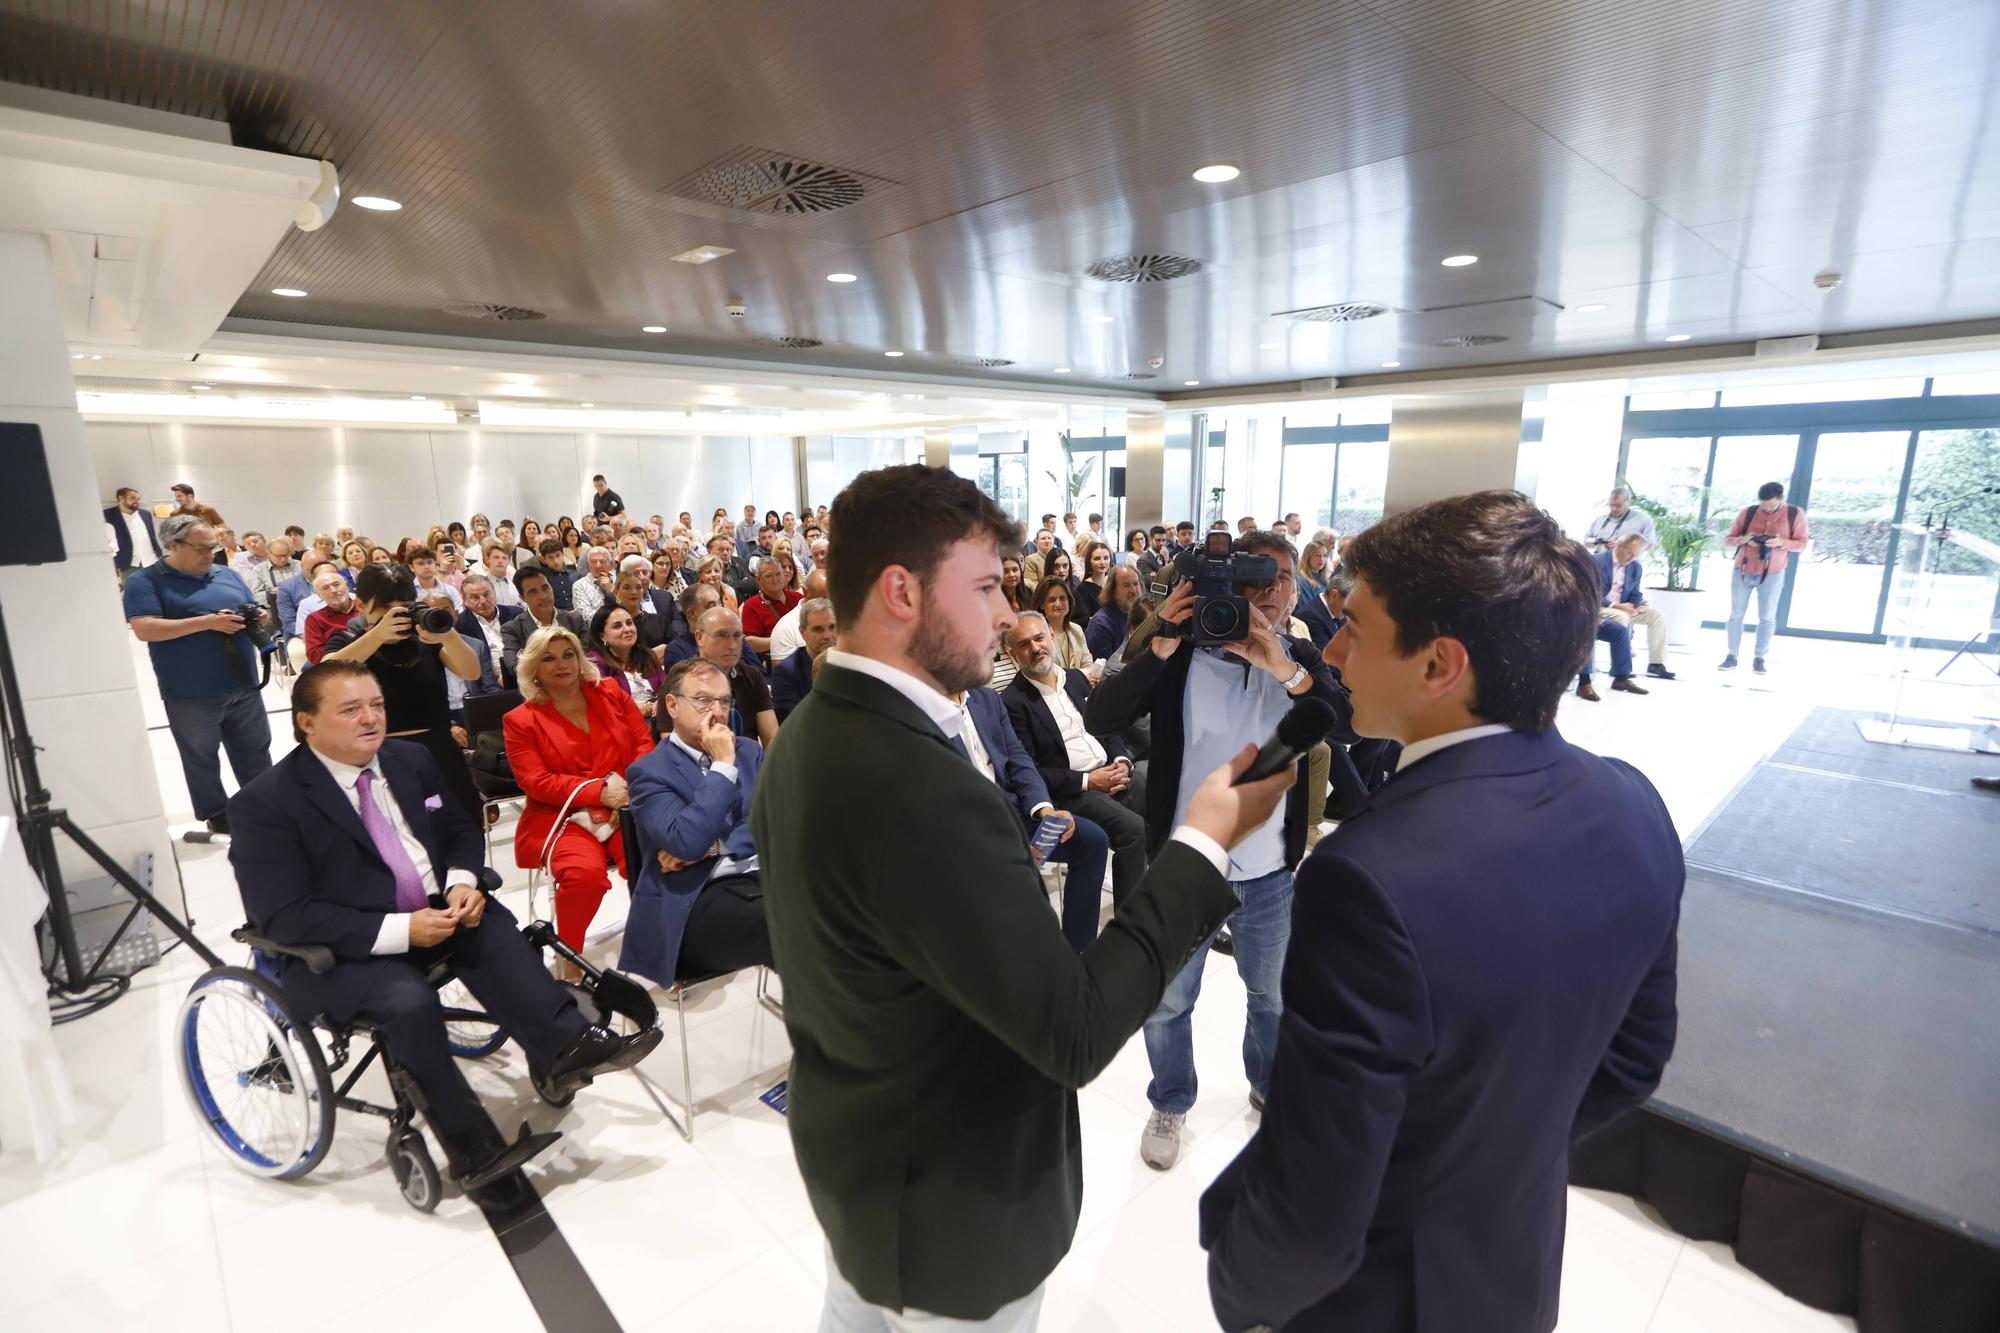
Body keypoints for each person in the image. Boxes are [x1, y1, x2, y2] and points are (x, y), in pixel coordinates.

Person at [749, 462, 1293, 1329]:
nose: (1008, 616)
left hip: (865, 1164)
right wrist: (1202, 839)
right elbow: (1072, 1027)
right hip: (948, 1211)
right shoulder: (912, 783)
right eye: (986, 587)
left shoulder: (818, 728)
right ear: (901, 591)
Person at [1199, 490, 1684, 1333]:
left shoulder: (1365, 881)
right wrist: (1498, 1155)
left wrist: (1238, 1298)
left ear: (1439, 665)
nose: (1337, 648)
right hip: (1510, 1268)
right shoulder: (1634, 804)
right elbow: (1634, 1061)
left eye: (1355, 625)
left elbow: (1314, 1213)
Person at [227, 662, 660, 1199]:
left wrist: (461, 881)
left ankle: (566, 1047)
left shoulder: (409, 759)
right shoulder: (265, 804)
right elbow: (285, 917)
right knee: (408, 1004)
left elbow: (458, 827)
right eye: (351, 709)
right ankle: (471, 1146)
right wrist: (402, 930)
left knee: (497, 928)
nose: (371, 718)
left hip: (436, 911)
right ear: (306, 723)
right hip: (347, 949)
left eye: (377, 705)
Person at [1084, 528, 1362, 1171]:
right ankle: (1171, 1098)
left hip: (1269, 872)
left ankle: (1268, 1087)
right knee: (1169, 1001)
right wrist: (1156, 645)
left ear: (1299, 590)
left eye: (1281, 582)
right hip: (1183, 866)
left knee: (1272, 996)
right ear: (1225, 588)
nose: (1267, 596)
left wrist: (1287, 667)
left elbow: (1348, 722)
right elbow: (1102, 715)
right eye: (1253, 583)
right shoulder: (1179, 654)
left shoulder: (1300, 657)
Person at [619, 658, 777, 986]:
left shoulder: (749, 751)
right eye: (704, 700)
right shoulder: (649, 771)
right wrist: (722, 765)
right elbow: (685, 842)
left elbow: (775, 826)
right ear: (673, 705)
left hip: (761, 879)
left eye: (724, 700)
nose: (717, 710)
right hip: (694, 902)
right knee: (797, 923)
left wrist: (715, 846)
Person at [503, 625, 655, 951]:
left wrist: (624, 795)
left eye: (568, 655)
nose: (562, 665)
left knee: (654, 859)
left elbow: (643, 744)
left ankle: (664, 945)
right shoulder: (520, 720)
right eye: (549, 658)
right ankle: (569, 957)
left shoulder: (611, 692)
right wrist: (599, 792)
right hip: (565, 817)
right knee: (583, 878)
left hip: (624, 808)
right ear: (534, 669)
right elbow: (535, 781)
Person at [122, 514, 272, 834]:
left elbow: (253, 608)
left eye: (213, 547)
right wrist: (206, 622)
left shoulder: (227, 574)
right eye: (202, 548)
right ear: (173, 545)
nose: (210, 555)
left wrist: (259, 615)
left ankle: (263, 804)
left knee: (255, 749)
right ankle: (216, 812)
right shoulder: (145, 581)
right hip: (191, 690)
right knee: (201, 756)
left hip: (243, 682)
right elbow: (145, 628)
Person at [1004, 611, 1149, 911]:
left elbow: (1105, 728)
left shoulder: (1076, 679)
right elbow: (1030, 770)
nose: (1035, 648)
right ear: (1012, 652)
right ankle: (1131, 926)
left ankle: (1158, 900)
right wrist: (1089, 781)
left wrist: (1121, 760)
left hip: (1110, 771)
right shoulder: (1013, 702)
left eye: (1040, 638)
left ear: (1052, 638)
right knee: (1133, 830)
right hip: (1074, 790)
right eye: (1024, 644)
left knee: (1166, 798)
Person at [321, 563, 484, 817]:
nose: (395, 616)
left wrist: (447, 634)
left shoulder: (425, 639)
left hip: (437, 750)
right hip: (377, 753)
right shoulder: (348, 640)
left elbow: (472, 671)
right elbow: (326, 675)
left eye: (404, 606)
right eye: (385, 608)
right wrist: (377, 636)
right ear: (362, 607)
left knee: (459, 831)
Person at [1722, 481, 1810, 673]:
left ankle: (1759, 658)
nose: (1766, 508)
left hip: (1773, 572)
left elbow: (1802, 544)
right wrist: (1744, 540)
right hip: (1743, 569)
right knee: (1736, 614)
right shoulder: (1749, 512)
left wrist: (1781, 543)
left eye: (1770, 505)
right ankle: (1731, 655)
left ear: (1780, 499)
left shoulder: (1795, 514)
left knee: (1767, 617)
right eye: (1763, 505)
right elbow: (1728, 539)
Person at [693, 606, 778, 747]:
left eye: (737, 636)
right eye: (721, 635)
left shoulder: (753, 677)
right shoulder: (681, 680)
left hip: (749, 763)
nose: (732, 645)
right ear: (699, 638)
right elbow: (672, 745)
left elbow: (772, 739)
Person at [1599, 533, 1675, 679]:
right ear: (1619, 547)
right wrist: (1616, 606)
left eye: (1636, 555)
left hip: (1625, 608)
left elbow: (1634, 593)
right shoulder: (1598, 562)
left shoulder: (1635, 566)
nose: (1631, 558)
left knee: (1656, 616)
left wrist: (1640, 603)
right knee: (1621, 616)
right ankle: (1619, 668)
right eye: (1630, 553)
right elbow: (1591, 594)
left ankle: (1656, 664)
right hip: (1601, 607)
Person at [500, 564, 587, 685]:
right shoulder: (512, 629)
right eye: (533, 592)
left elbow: (588, 656)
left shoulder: (574, 620)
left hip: (577, 683)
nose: (543, 596)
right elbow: (516, 668)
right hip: (539, 690)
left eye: (545, 588)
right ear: (522, 597)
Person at [586, 603, 664, 720]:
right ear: (602, 636)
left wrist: (662, 702)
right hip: (624, 725)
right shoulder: (595, 663)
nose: (627, 629)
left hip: (658, 719)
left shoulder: (646, 655)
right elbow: (608, 706)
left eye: (629, 623)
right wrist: (649, 707)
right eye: (617, 626)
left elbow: (667, 685)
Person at [769, 597, 835, 722]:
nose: (827, 636)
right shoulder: (786, 672)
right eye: (818, 629)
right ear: (803, 632)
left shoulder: (851, 662)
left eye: (832, 627)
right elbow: (793, 723)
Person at [454, 573, 524, 687]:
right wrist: (496, 680)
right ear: (465, 601)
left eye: (487, 594)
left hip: (523, 676)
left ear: (494, 593)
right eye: (475, 597)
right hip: (487, 684)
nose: (483, 601)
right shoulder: (460, 624)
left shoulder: (516, 614)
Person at [741, 556, 803, 661]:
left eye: (778, 574)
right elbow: (750, 642)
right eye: (769, 576)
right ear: (758, 579)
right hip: (777, 661)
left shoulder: (798, 598)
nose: (775, 580)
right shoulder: (751, 606)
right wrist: (783, 640)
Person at [1028, 575, 1092, 674]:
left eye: (1062, 598)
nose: (1058, 604)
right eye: (1052, 600)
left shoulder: (1076, 629)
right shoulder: (1037, 637)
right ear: (1041, 604)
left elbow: (1088, 665)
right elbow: (1046, 674)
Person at [766, 568, 828, 666]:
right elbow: (784, 675)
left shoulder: (844, 619)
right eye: (823, 598)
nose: (828, 604)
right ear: (805, 592)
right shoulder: (785, 628)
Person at [302, 562, 360, 665]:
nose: (333, 590)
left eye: (336, 584)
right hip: (337, 667)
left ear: (346, 586)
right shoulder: (314, 619)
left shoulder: (365, 608)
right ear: (318, 595)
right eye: (325, 588)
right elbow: (314, 655)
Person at [105, 486, 163, 583]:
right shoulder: (109, 515)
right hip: (128, 564)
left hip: (151, 561)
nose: (136, 501)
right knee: (133, 593)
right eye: (132, 498)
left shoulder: (145, 514)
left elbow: (152, 536)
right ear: (121, 499)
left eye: (138, 499)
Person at [1086, 565, 1143, 662]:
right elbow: (1106, 670)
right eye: (1126, 585)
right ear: (1112, 590)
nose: (1133, 590)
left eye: (1136, 584)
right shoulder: (1100, 624)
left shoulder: (1145, 616)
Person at [1584, 484, 1660, 554]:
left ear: (1629, 502)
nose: (1614, 508)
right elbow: (1586, 541)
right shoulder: (1599, 520)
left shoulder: (1643, 520)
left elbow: (1650, 545)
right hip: (1598, 564)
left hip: (1627, 566)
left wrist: (1623, 545)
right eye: (1611, 505)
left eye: (1618, 505)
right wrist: (1595, 542)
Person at [662, 582, 722, 669]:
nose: (719, 609)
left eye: (719, 602)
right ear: (692, 613)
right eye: (711, 605)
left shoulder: (733, 636)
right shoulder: (677, 650)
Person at [245, 535, 294, 613]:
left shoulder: (298, 565)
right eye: (278, 556)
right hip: (275, 611)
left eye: (286, 555)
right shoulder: (259, 570)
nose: (283, 559)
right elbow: (255, 596)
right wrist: (272, 593)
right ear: (269, 554)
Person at [407, 544, 462, 613]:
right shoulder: (407, 592)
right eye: (421, 563)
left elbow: (459, 612)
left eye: (429, 562)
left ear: (435, 564)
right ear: (411, 567)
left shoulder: (450, 590)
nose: (426, 567)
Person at [478, 539, 523, 608]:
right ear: (488, 559)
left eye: (504, 558)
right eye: (496, 557)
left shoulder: (516, 583)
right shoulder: (480, 585)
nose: (500, 561)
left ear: (509, 560)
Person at [1297, 537, 1331, 603]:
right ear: (1308, 557)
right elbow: (1305, 609)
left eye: (1325, 555)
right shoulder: (1302, 581)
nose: (1322, 559)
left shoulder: (1325, 581)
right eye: (1317, 555)